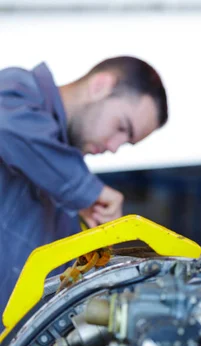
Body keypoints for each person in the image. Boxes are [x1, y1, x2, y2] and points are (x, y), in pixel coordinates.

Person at [0, 56, 168, 314]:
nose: (114, 147)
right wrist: (88, 191)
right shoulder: (16, 90)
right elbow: (7, 127)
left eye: (126, 142)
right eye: (122, 127)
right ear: (100, 85)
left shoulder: (66, 197)